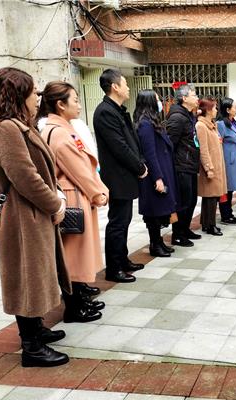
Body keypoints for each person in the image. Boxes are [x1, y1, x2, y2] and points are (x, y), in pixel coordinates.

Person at [0, 67, 69, 367]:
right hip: (21, 214)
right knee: (27, 275)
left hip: (31, 211)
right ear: (18, 95)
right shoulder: (5, 128)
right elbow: (25, 176)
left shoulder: (17, 124)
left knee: (38, 271)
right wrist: (54, 204)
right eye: (33, 93)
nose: (36, 98)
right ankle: (31, 347)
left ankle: (36, 330)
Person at [39, 81, 107, 323]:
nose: (79, 104)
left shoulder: (58, 128)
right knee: (75, 255)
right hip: (74, 195)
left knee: (74, 254)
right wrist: (98, 192)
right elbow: (79, 169)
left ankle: (79, 300)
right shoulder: (59, 133)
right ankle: (75, 308)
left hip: (73, 193)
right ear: (60, 104)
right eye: (75, 100)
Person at [93, 69, 148, 283]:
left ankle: (123, 260)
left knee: (124, 221)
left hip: (124, 176)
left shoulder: (117, 110)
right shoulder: (105, 112)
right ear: (114, 87)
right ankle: (113, 268)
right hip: (117, 177)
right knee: (117, 223)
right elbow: (120, 147)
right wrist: (139, 167)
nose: (127, 87)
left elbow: (129, 141)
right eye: (124, 83)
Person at [133, 90, 179, 257]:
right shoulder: (145, 124)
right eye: (158, 99)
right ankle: (155, 244)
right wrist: (158, 178)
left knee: (159, 209)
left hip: (160, 170)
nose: (160, 102)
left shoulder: (151, 122)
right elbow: (150, 153)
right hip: (153, 174)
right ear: (150, 102)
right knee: (153, 212)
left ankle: (158, 242)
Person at [166, 84, 201, 247]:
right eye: (194, 95)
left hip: (190, 165)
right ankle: (177, 234)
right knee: (183, 202)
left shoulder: (188, 116)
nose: (197, 98)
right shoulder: (177, 118)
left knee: (192, 200)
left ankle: (185, 229)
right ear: (184, 98)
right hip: (181, 167)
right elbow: (169, 144)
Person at [196, 98, 227, 236]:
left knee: (212, 197)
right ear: (208, 110)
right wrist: (208, 168)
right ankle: (210, 225)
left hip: (217, 166)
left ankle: (206, 223)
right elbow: (203, 149)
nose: (216, 111)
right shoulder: (201, 126)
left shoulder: (211, 125)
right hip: (210, 168)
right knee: (210, 197)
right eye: (214, 108)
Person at [218, 98, 236, 225]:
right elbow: (219, 144)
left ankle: (229, 213)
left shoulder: (233, 122)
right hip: (228, 161)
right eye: (234, 107)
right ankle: (225, 215)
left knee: (233, 188)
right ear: (228, 110)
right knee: (227, 189)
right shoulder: (221, 124)